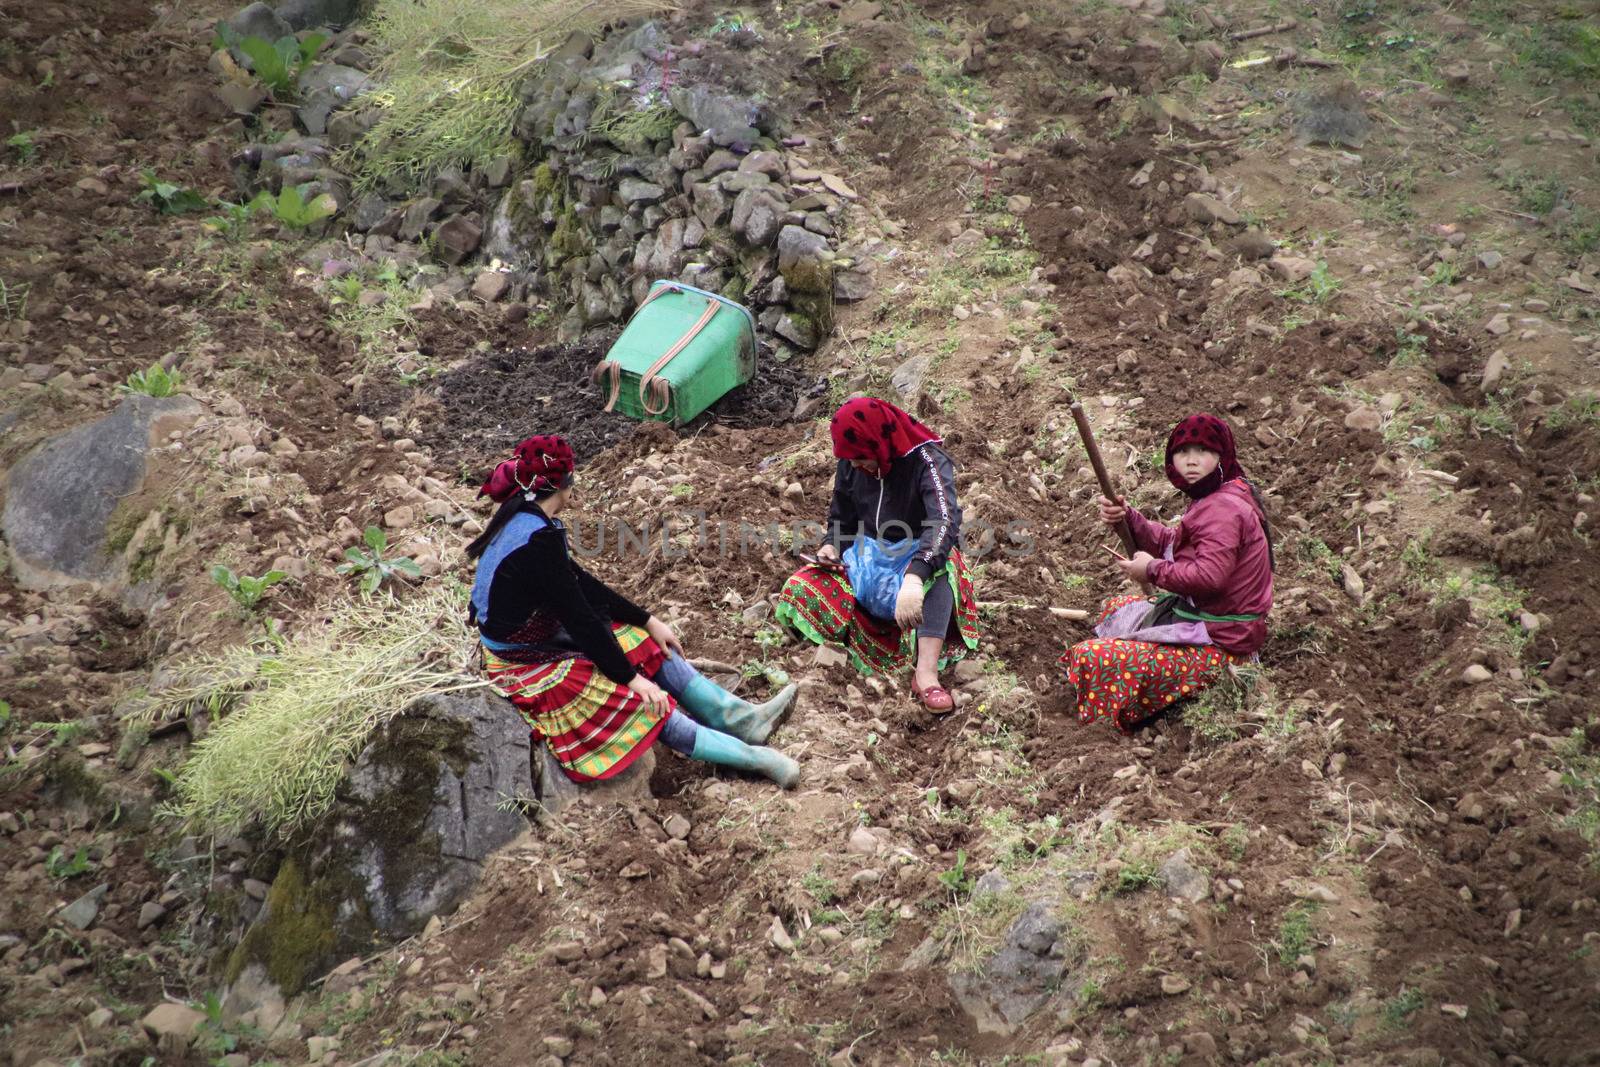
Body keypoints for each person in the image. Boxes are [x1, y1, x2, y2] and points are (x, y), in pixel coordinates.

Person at [467, 434, 800, 788]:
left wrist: (647, 619)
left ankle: (742, 720)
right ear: (567, 484)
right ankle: (753, 759)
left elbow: (578, 582)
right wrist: (634, 681)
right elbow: (582, 619)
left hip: (540, 638)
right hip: (526, 662)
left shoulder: (523, 519)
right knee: (640, 703)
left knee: (643, 639)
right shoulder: (536, 540)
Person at [1060, 413, 1274, 734]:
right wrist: (1129, 519)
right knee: (1117, 608)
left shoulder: (1223, 509)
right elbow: (1175, 543)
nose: (1191, 461)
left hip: (1223, 646)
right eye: (1182, 452)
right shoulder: (1216, 496)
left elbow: (1209, 577)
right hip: (1212, 624)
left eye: (1202, 452)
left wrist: (1151, 569)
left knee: (1093, 658)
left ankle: (1107, 727)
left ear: (1222, 455)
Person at [775, 398, 979, 710]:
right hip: (867, 557)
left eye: (860, 459)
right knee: (799, 588)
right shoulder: (851, 462)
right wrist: (832, 546)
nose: (855, 466)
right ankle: (853, 641)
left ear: (879, 443)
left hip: (915, 556)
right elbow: (842, 515)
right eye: (850, 461)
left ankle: (925, 672)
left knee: (947, 564)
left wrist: (914, 577)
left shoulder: (927, 460)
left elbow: (944, 522)